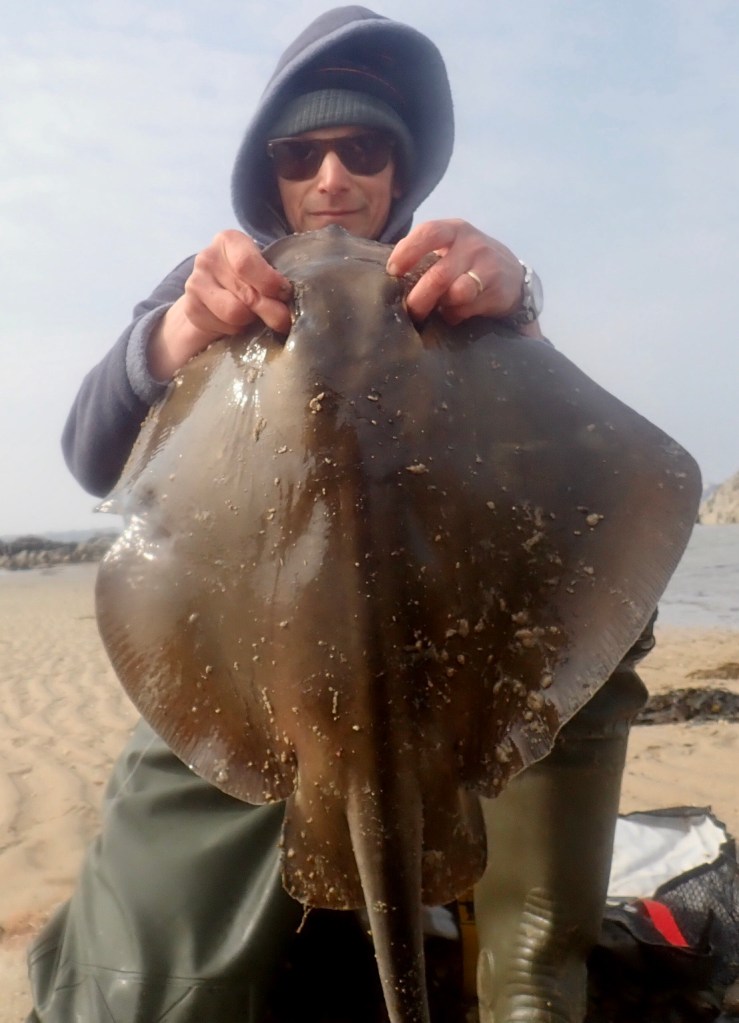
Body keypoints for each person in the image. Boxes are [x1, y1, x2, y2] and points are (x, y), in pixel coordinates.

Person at [27, 7, 654, 1022]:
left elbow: (586, 488)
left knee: (600, 622)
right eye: (300, 153)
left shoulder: (451, 286)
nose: (331, 178)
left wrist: (520, 303)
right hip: (257, 668)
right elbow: (89, 451)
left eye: (362, 149)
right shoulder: (217, 283)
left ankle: (530, 979)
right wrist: (181, 327)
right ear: (267, 170)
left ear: (398, 171)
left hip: (449, 662)